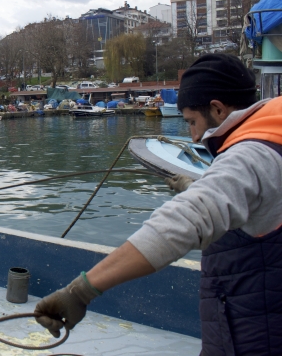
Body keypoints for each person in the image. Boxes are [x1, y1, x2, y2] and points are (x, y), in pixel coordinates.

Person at [35, 54, 282, 355]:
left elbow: (180, 224)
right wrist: (197, 186)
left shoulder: (250, 156)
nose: (193, 136)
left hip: (256, 335)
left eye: (192, 122)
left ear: (217, 109)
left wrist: (81, 292)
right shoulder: (274, 139)